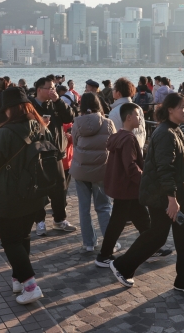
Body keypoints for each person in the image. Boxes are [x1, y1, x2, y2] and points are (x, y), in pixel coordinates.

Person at [110, 93, 184, 294]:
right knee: (173, 236)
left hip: (171, 194)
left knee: (166, 236)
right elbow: (164, 168)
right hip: (165, 196)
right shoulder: (165, 134)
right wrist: (172, 199)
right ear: (170, 110)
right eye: (182, 107)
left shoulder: (174, 130)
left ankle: (125, 266)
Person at [0, 87, 52, 305]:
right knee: (23, 238)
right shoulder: (40, 126)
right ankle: (18, 279)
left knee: (11, 241)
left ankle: (30, 286)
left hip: (9, 195)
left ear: (10, 109)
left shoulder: (5, 132)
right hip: (34, 192)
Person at [95, 103, 172, 268]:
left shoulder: (118, 136)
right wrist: (145, 181)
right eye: (138, 115)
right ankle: (104, 255)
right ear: (129, 117)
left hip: (124, 187)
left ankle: (151, 249)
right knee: (118, 222)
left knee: (142, 219)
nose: (140, 118)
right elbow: (130, 166)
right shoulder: (129, 139)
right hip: (128, 188)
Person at [29, 76, 76, 235]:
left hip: (56, 151)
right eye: (49, 88)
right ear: (39, 89)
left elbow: (69, 117)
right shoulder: (30, 106)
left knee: (60, 187)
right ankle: (40, 222)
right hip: (37, 152)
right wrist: (38, 125)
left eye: (53, 88)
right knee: (38, 188)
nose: (52, 91)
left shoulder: (55, 104)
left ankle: (59, 219)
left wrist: (58, 101)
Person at [71, 92, 116, 252]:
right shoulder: (108, 123)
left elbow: (75, 143)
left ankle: (89, 243)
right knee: (104, 207)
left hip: (81, 169)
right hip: (101, 170)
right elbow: (113, 145)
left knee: (84, 208)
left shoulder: (77, 123)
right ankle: (110, 243)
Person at [109, 78, 147, 148]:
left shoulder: (115, 111)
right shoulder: (138, 108)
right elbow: (142, 131)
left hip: (123, 151)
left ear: (118, 93)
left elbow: (114, 135)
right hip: (138, 148)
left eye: (114, 89)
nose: (112, 91)